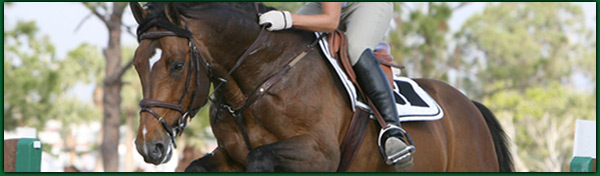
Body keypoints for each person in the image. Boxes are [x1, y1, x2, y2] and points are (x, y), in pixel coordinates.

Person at [259, 2, 413, 170]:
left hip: (367, 5)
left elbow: (331, 22)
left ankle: (393, 131)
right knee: (290, 39)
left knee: (355, 47)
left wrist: (288, 18)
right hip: (323, 5)